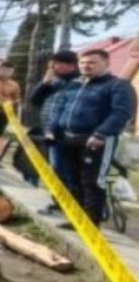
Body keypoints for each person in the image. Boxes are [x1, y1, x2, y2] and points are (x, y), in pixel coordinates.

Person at [46, 48, 137, 226]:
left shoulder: (118, 86)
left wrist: (101, 134)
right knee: (73, 180)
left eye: (92, 62)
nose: (86, 66)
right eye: (83, 63)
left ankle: (92, 222)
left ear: (106, 63)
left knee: (93, 181)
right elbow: (58, 108)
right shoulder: (73, 85)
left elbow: (121, 113)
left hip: (96, 140)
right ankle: (78, 220)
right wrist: (51, 129)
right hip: (67, 138)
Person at [28, 50, 82, 210]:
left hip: (70, 131)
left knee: (70, 170)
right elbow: (34, 100)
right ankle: (59, 201)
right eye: (53, 64)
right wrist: (44, 83)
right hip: (50, 130)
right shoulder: (53, 81)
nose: (53, 67)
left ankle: (73, 204)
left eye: (57, 64)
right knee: (57, 168)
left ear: (70, 65)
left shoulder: (80, 82)